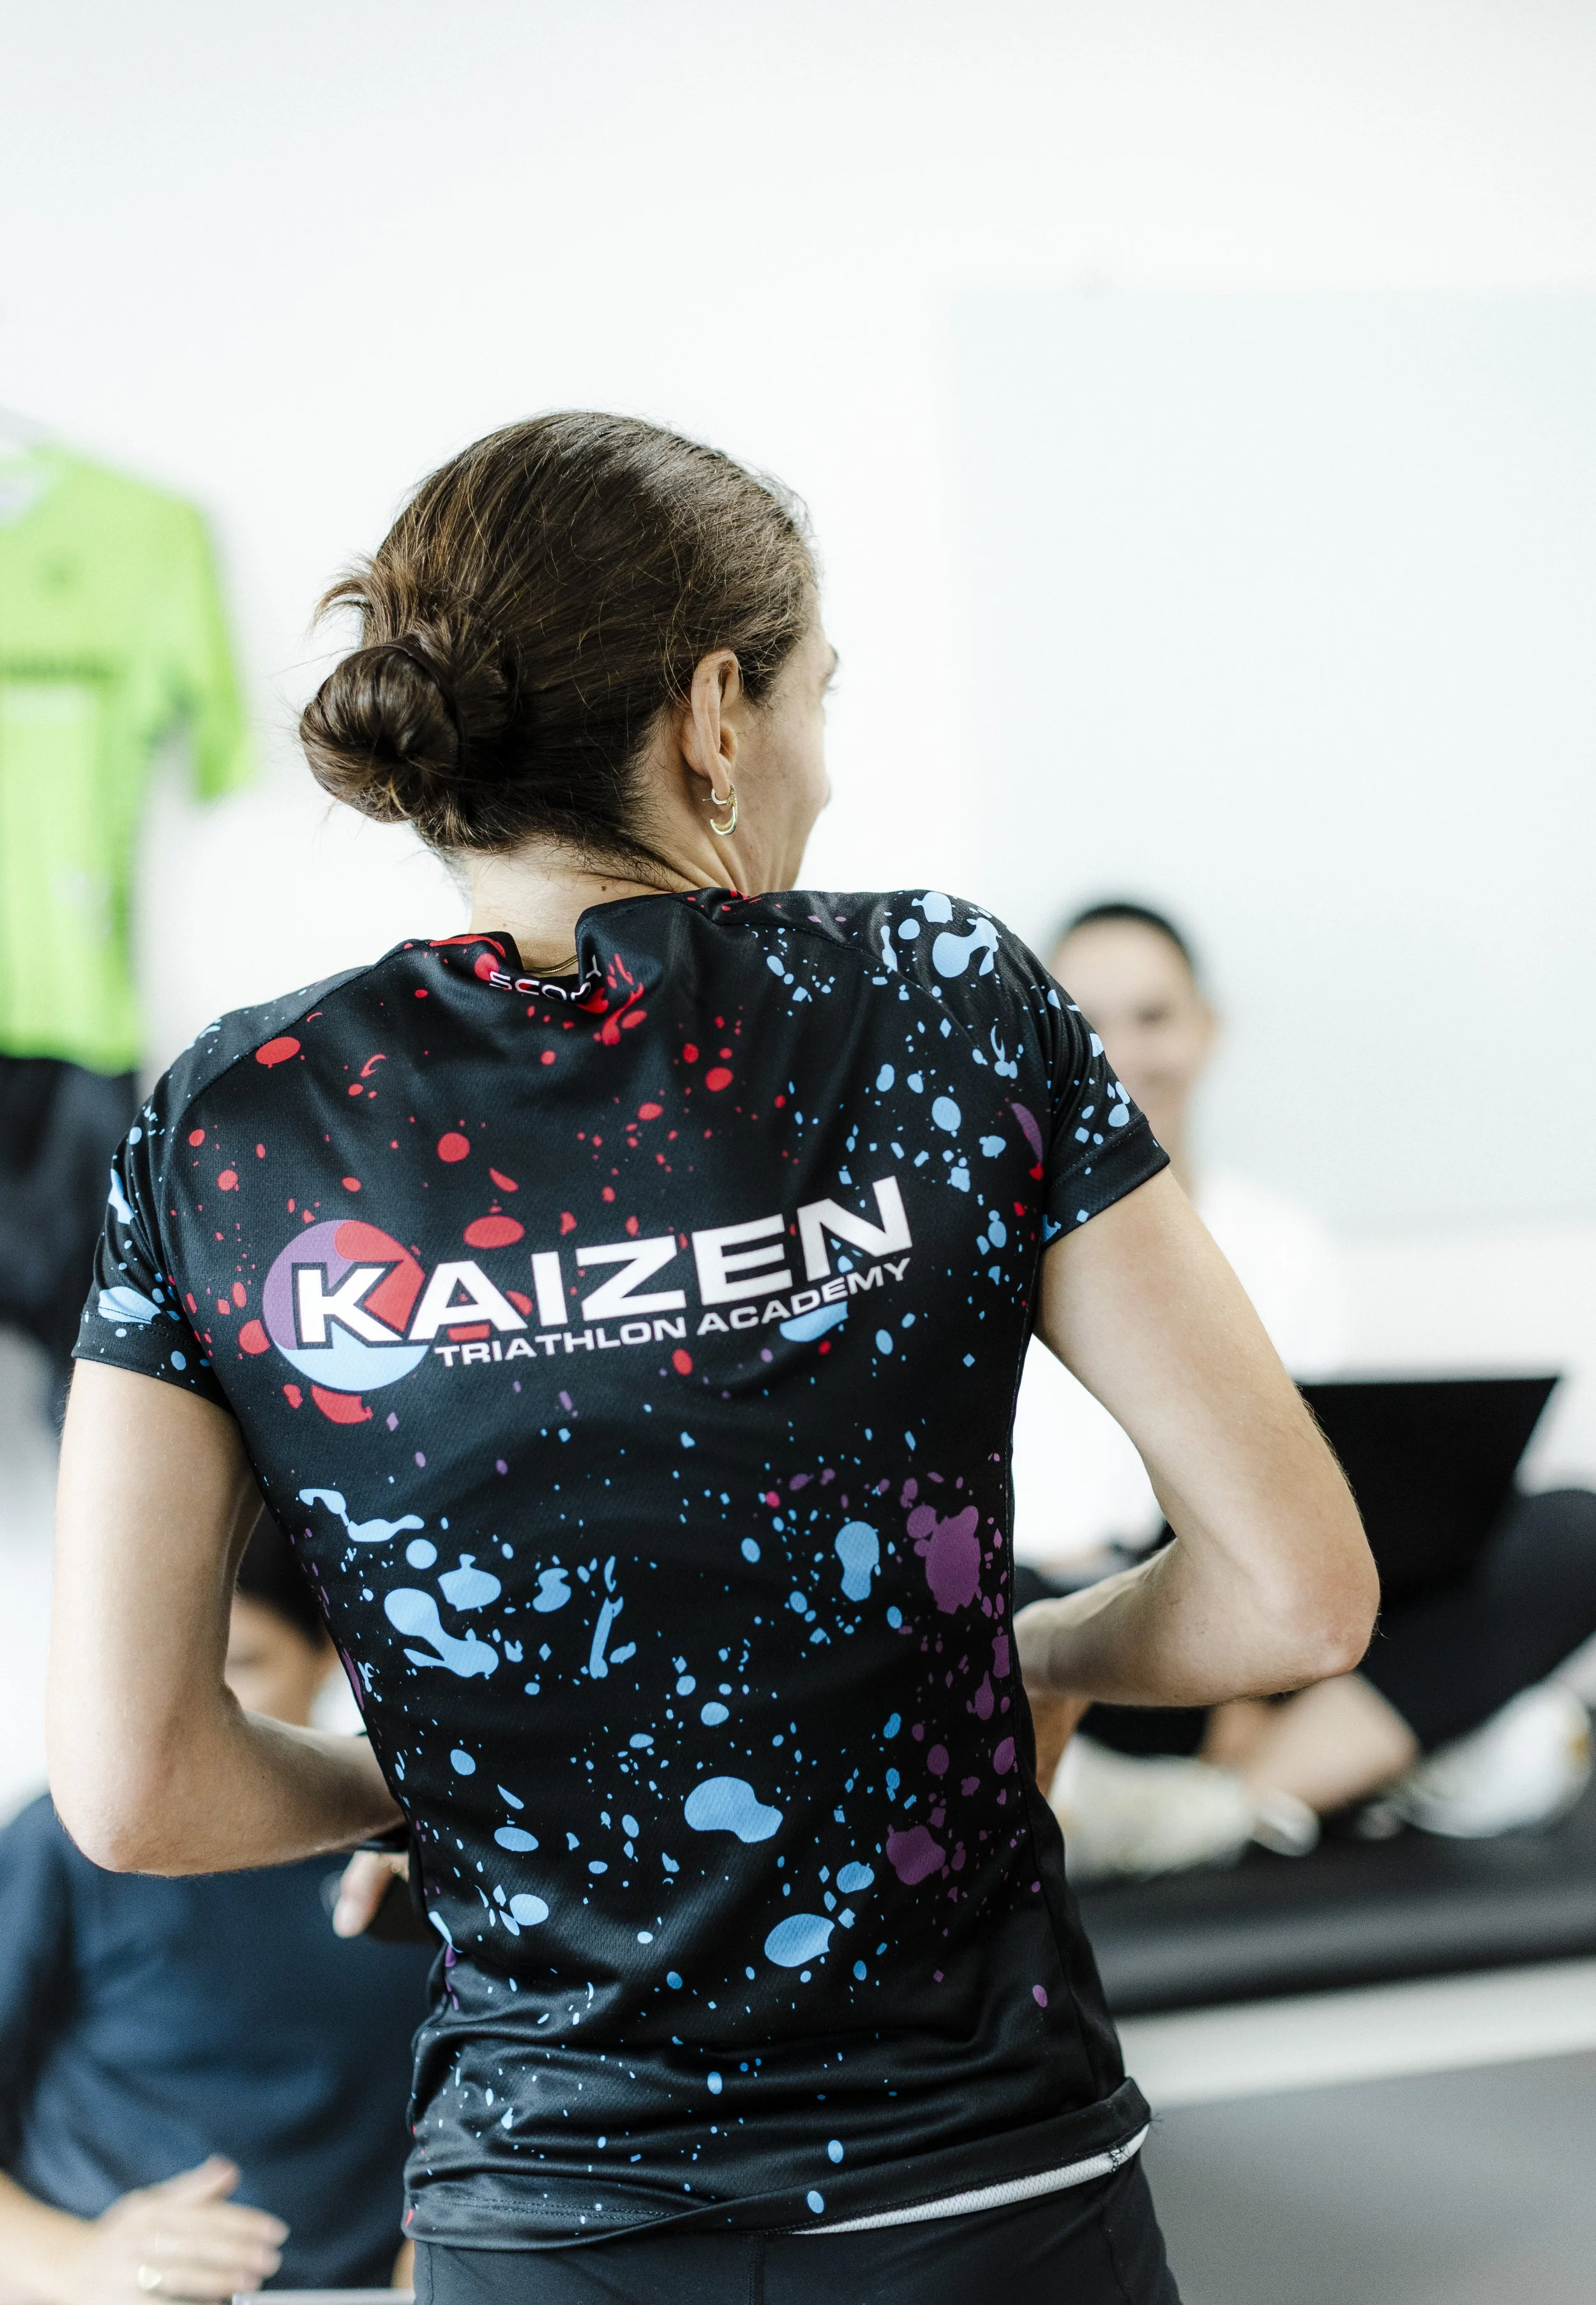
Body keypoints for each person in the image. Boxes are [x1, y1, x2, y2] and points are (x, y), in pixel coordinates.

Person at [48, 414, 1376, 2305]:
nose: (823, 765)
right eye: (815, 694)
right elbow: (1291, 1597)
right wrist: (1025, 1652)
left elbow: (140, 1789)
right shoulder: (941, 1001)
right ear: (711, 718)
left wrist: (475, 1779)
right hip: (978, 2193)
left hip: (548, 2221)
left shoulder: (237, 1120)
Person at [1016, 901, 1596, 1881]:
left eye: (1154, 1016)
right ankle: (1344, 1776)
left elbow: (1333, 1497)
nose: (1123, 1049)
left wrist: (1259, 1669)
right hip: (1105, 1647)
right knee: (1005, 1607)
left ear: (1206, 1029)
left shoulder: (1281, 1246)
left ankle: (1230, 1807)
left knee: (1574, 1528)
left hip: (1291, 1632)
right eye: (1088, 1018)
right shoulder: (983, 1255)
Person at [0, 1518, 429, 2302]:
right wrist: (74, 2264)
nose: (192, 1711)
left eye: (243, 1666)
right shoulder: (61, 1846)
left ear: (330, 1655)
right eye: (161, 1673)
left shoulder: (415, 1853)